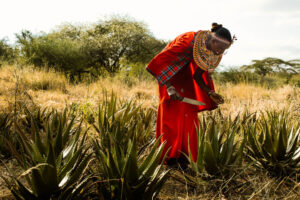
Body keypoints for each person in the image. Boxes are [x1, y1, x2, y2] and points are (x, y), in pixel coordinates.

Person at [146, 23, 236, 168]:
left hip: (185, 77)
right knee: (171, 117)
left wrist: (209, 92)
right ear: (213, 41)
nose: (219, 53)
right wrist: (169, 87)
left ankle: (184, 157)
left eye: (223, 51)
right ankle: (169, 158)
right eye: (220, 48)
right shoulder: (186, 41)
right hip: (168, 76)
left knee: (189, 116)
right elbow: (160, 63)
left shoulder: (206, 50)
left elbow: (198, 75)